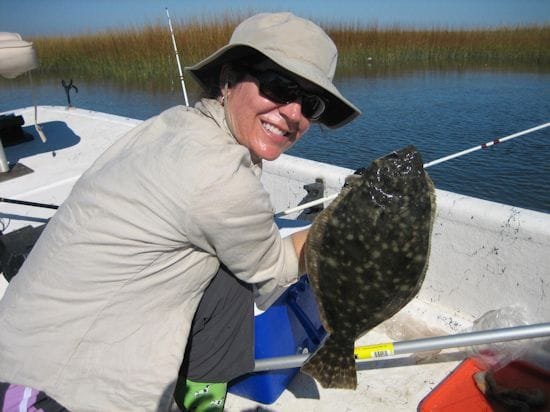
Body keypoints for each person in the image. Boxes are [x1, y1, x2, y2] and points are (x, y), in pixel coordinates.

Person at [0, 12, 360, 412]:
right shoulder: (217, 173)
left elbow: (247, 258)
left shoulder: (174, 125)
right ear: (227, 81)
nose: (293, 114)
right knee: (245, 271)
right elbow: (275, 274)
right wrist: (350, 222)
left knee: (230, 273)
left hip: (16, 351)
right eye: (278, 86)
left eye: (309, 103)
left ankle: (200, 402)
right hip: (51, 394)